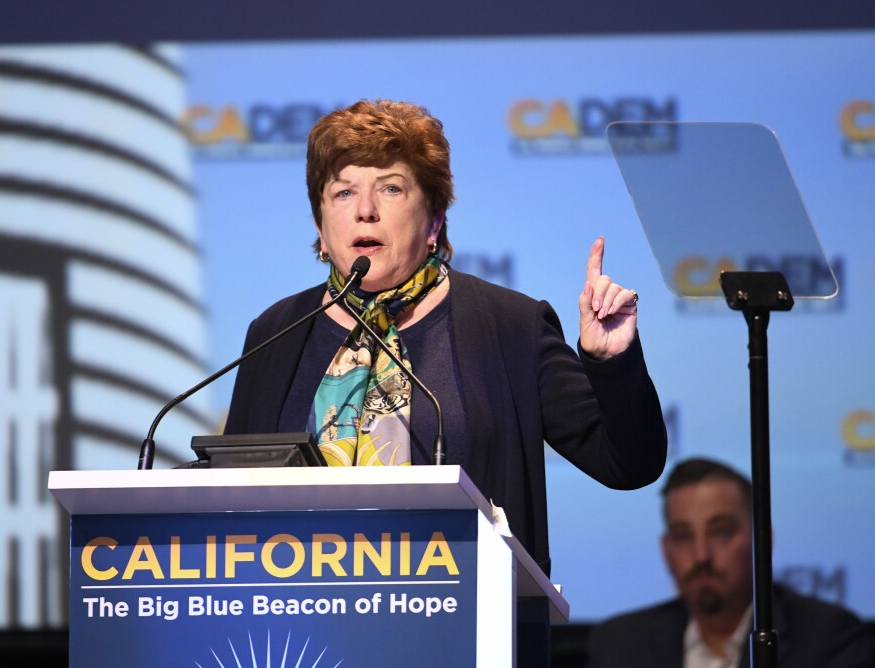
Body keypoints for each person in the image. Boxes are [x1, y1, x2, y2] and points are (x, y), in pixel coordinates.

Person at [224, 98, 668, 577]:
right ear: (320, 224)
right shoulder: (276, 334)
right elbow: (229, 500)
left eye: (391, 189)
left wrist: (612, 362)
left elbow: (628, 465)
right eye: (343, 193)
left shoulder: (510, 326)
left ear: (434, 220)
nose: (365, 212)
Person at [586, 457, 874, 667]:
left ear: (762, 540)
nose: (701, 556)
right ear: (666, 550)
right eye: (684, 536)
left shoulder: (827, 639)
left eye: (720, 532)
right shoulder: (618, 647)